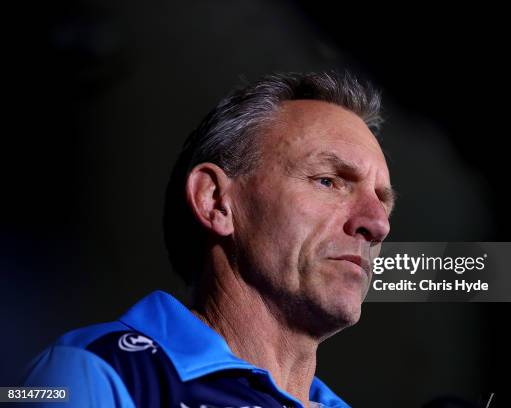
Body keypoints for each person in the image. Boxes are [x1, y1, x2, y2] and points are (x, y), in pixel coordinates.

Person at [22, 71, 395, 408]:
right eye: (328, 181)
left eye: (382, 200)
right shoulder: (89, 375)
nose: (378, 224)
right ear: (215, 201)